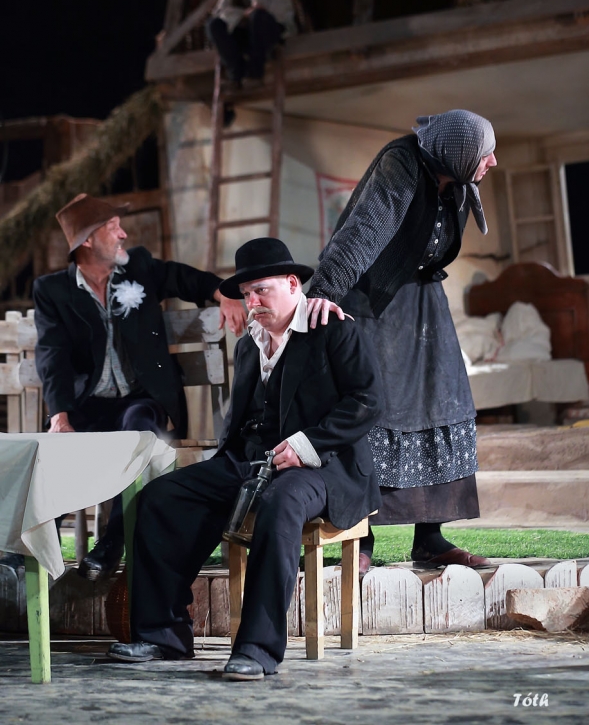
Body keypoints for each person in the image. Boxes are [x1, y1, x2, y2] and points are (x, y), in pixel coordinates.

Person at [107, 237, 381, 679]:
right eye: (247, 294)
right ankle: (163, 635)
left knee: (280, 502)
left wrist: (306, 445)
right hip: (251, 460)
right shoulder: (249, 344)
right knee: (160, 498)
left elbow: (368, 402)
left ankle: (257, 649)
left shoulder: (333, 327)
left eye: (262, 290)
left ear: (292, 284)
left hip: (323, 464)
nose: (252, 302)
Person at [306, 110, 498, 574]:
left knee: (442, 403)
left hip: (423, 302)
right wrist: (324, 293)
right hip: (375, 301)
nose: (492, 162)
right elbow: (363, 231)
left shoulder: (454, 178)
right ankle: (360, 539)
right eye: (484, 153)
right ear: (456, 152)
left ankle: (429, 539)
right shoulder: (403, 162)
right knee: (375, 409)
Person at [33, 193, 246, 581]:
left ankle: (112, 543)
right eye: (113, 228)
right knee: (53, 454)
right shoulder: (53, 291)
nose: (123, 234)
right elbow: (52, 355)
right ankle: (29, 559)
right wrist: (60, 416)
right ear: (87, 241)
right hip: (89, 405)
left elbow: (186, 279)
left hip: (140, 401)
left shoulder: (140, 267)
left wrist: (225, 293)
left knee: (139, 427)